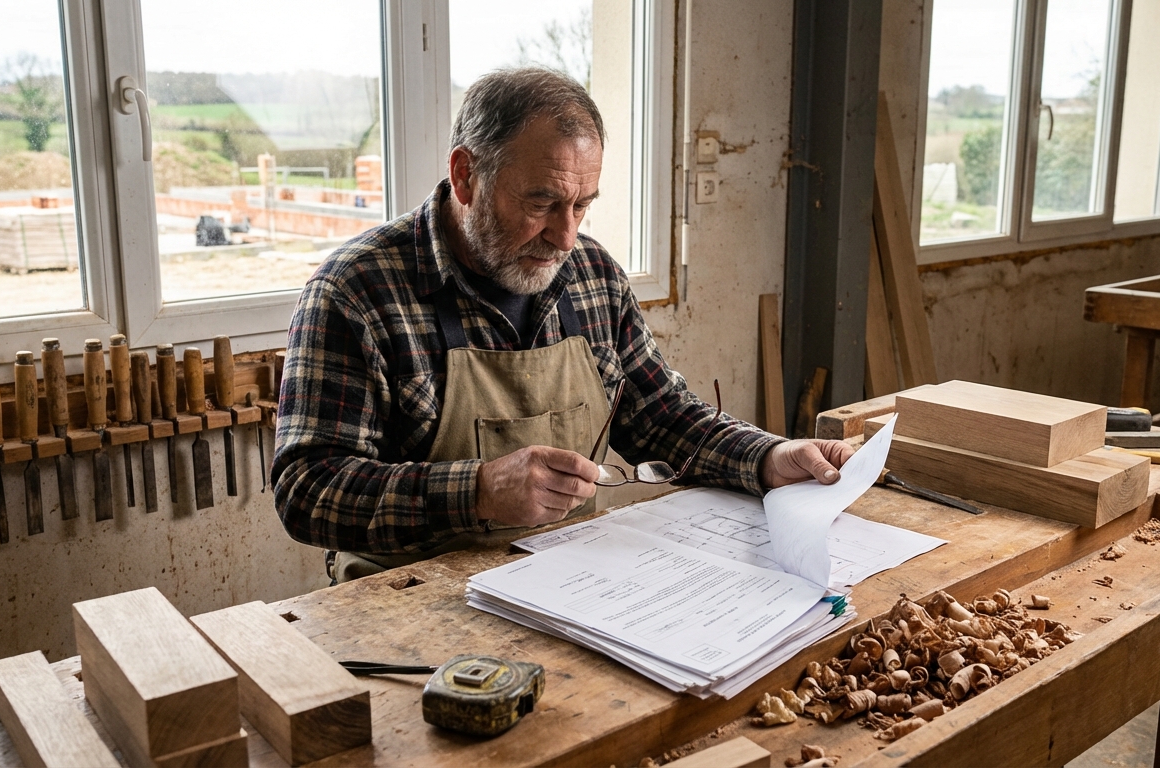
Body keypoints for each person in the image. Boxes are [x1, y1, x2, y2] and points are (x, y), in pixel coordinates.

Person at [273, 67, 855, 582]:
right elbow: (306, 489)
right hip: (412, 604)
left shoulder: (592, 275)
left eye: (582, 206)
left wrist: (768, 457)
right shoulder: (356, 291)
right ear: (466, 175)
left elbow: (662, 417)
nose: (565, 236)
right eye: (541, 203)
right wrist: (477, 491)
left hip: (570, 584)